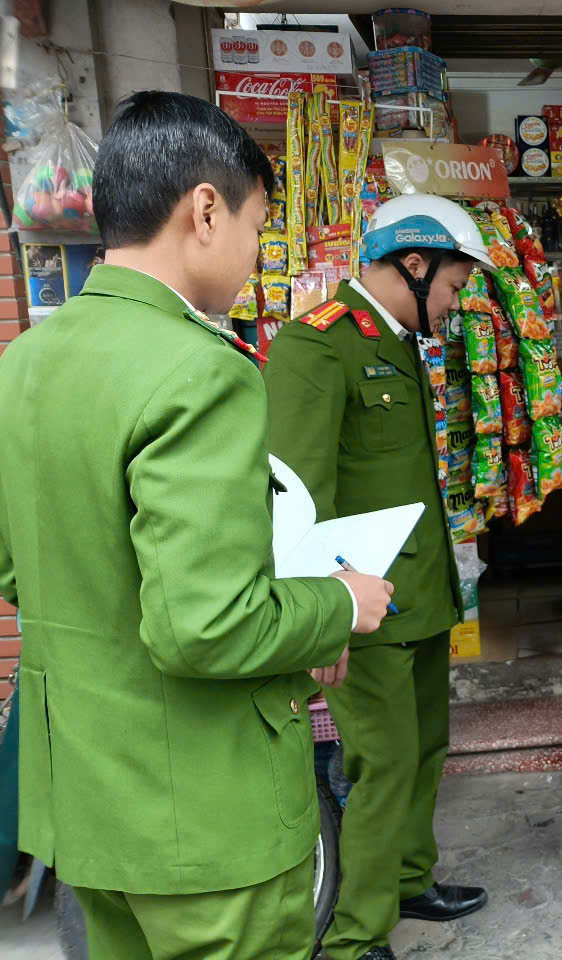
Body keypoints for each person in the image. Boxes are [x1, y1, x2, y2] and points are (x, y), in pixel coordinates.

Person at [0, 91, 393, 959]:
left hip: (90, 808)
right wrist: (337, 603)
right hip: (210, 824)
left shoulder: (22, 364)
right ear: (204, 211)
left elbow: (19, 570)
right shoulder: (198, 371)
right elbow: (205, 625)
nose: (257, 255)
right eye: (257, 227)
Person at [263, 193, 494, 960]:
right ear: (414, 263)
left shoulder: (394, 341)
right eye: (456, 287)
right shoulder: (317, 344)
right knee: (382, 763)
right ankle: (358, 938)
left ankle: (406, 878)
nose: (457, 304)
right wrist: (319, 609)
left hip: (419, 595)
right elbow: (295, 491)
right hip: (359, 609)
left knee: (426, 746)